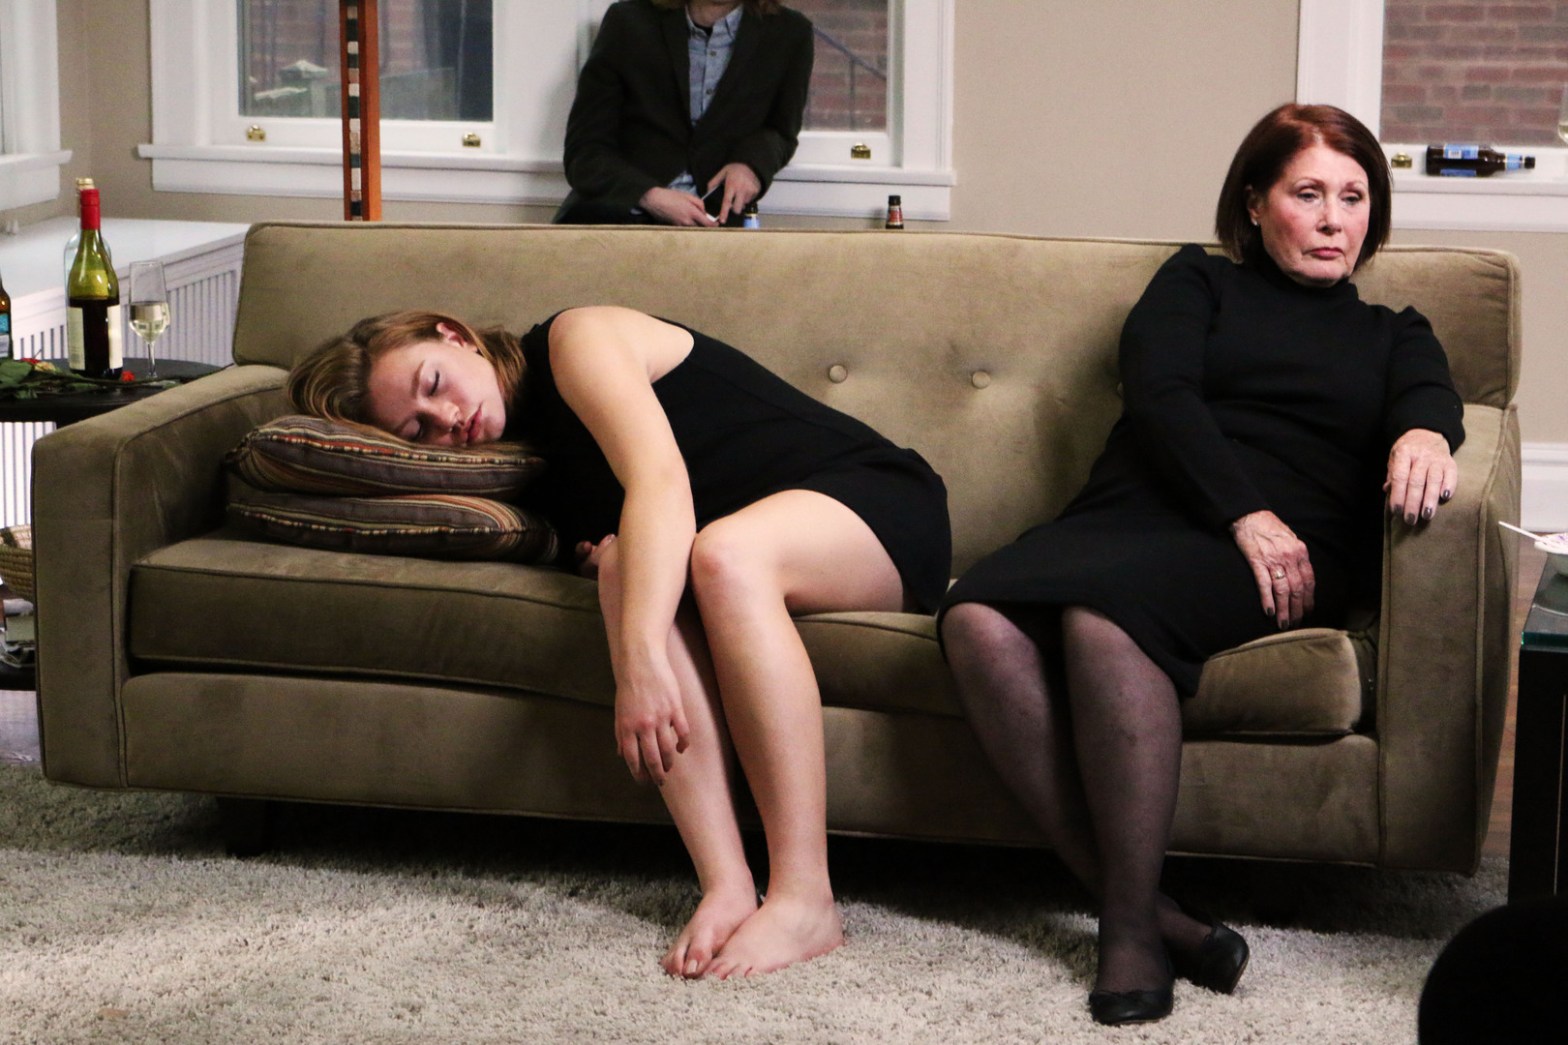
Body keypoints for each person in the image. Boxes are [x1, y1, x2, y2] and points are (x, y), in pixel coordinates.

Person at [938, 103, 1465, 1026]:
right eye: (1309, 194)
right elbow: (1161, 391)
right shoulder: (1196, 281)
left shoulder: (1395, 331)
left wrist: (1426, 429)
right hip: (1145, 512)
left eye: (1354, 198)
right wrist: (1238, 511)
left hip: (1291, 548)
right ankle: (1157, 912)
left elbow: (1431, 394)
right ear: (1255, 204)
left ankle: (1129, 932)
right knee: (975, 615)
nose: (1335, 219)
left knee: (1104, 617)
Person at [288, 306, 951, 979]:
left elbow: (661, 481)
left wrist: (639, 666)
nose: (448, 419)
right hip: (735, 539)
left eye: (434, 384)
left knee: (726, 556)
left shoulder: (577, 339)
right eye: (418, 430)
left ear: (453, 335)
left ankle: (806, 898)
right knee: (621, 568)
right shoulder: (516, 466)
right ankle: (725, 885)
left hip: (867, 503)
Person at [555, 0, 814, 227]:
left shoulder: (791, 33)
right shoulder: (627, 22)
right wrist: (649, 196)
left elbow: (781, 131)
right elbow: (585, 150)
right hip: (614, 222)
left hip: (715, 228)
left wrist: (750, 166)